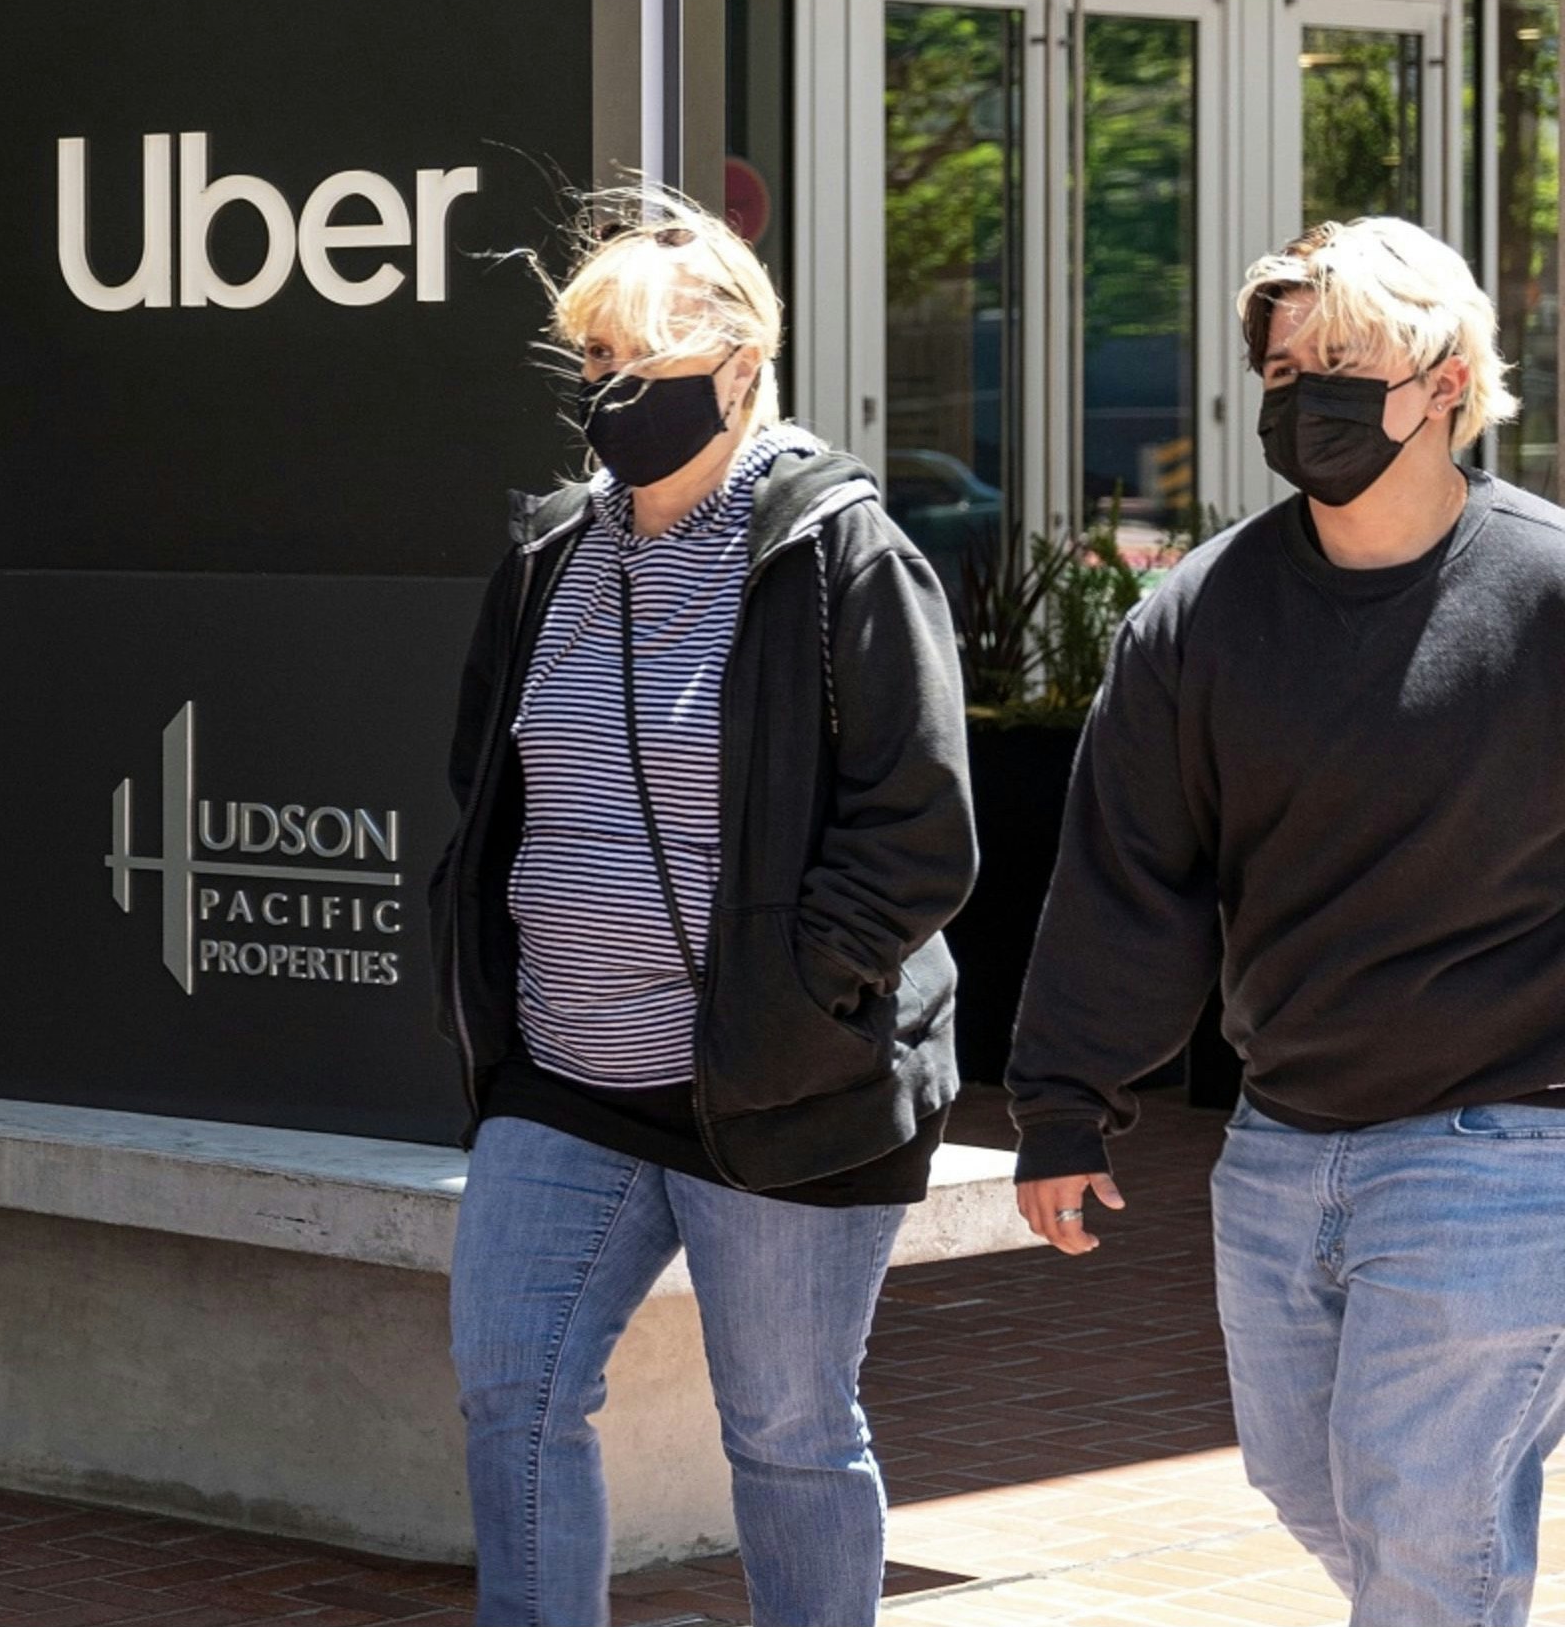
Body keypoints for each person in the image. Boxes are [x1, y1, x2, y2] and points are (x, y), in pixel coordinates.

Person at [1010, 217, 1565, 1627]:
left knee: (1420, 1518)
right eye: (1283, 366)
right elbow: (1129, 871)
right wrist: (1066, 1101)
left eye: (1343, 362)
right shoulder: (1201, 611)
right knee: (1308, 1488)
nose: (1302, 394)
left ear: (1447, 379)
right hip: (1280, 1144)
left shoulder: (1549, 594)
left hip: (1499, 1146)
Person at [428, 198, 973, 1627]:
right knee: (513, 1388)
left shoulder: (838, 553)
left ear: (741, 364)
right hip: (566, 1075)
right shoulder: (549, 553)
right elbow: (488, 786)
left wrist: (796, 998)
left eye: (642, 353)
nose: (609, 385)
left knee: (787, 1437)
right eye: (590, 352)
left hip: (779, 1087)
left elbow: (924, 829)